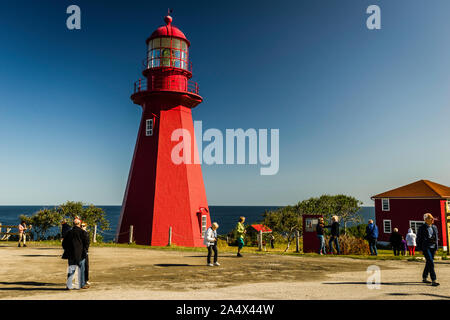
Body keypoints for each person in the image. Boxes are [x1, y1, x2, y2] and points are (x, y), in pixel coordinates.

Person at [62, 217, 90, 290]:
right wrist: (85, 250)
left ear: (73, 224)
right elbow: (87, 242)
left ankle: (69, 285)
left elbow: (64, 243)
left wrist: (67, 250)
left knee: (71, 270)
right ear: (79, 224)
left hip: (71, 254)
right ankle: (82, 284)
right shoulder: (83, 232)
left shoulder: (69, 232)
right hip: (81, 254)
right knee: (82, 270)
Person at [417, 213, 439, 286]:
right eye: (430, 218)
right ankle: (433, 280)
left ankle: (424, 277)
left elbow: (436, 238)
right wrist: (419, 248)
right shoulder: (422, 227)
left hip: (433, 247)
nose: (432, 219)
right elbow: (418, 239)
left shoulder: (434, 227)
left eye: (432, 218)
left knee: (428, 262)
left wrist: (436, 248)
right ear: (426, 220)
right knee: (430, 262)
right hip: (425, 247)